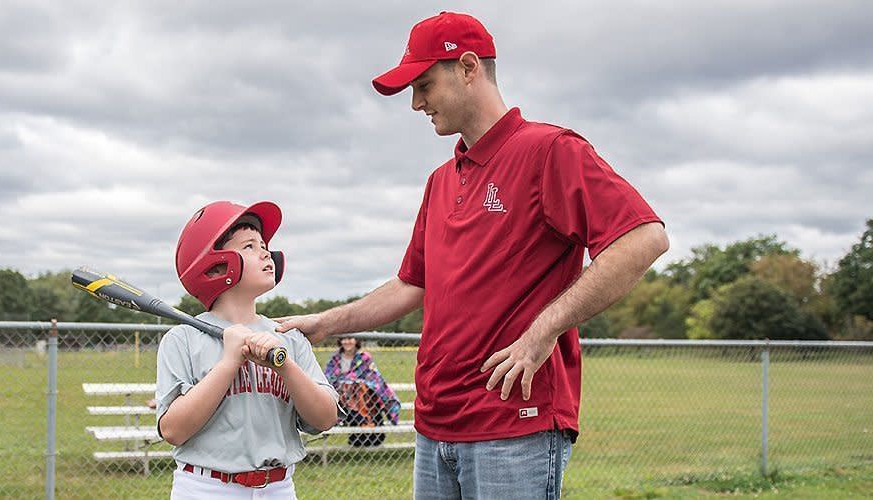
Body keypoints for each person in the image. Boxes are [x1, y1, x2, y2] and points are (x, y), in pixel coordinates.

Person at [276, 11, 669, 499]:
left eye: (424, 85)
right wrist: (325, 322)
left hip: (513, 424)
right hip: (435, 424)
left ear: (467, 68)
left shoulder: (548, 150)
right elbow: (411, 284)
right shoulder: (441, 180)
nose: (416, 103)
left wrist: (542, 331)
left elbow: (643, 237)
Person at [155, 200, 340, 499]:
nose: (266, 251)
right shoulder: (183, 339)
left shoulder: (287, 338)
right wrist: (228, 363)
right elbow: (174, 431)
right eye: (250, 246)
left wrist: (284, 366)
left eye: (264, 244)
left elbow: (324, 419)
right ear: (216, 265)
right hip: (207, 488)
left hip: (278, 488)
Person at [323, 336, 401, 447]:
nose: (347, 341)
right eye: (344, 339)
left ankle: (369, 426)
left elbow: (374, 378)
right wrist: (347, 384)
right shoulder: (335, 359)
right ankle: (361, 427)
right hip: (342, 399)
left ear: (356, 340)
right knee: (349, 388)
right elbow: (328, 378)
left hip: (365, 399)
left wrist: (354, 383)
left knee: (360, 388)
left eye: (350, 338)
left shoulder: (364, 358)